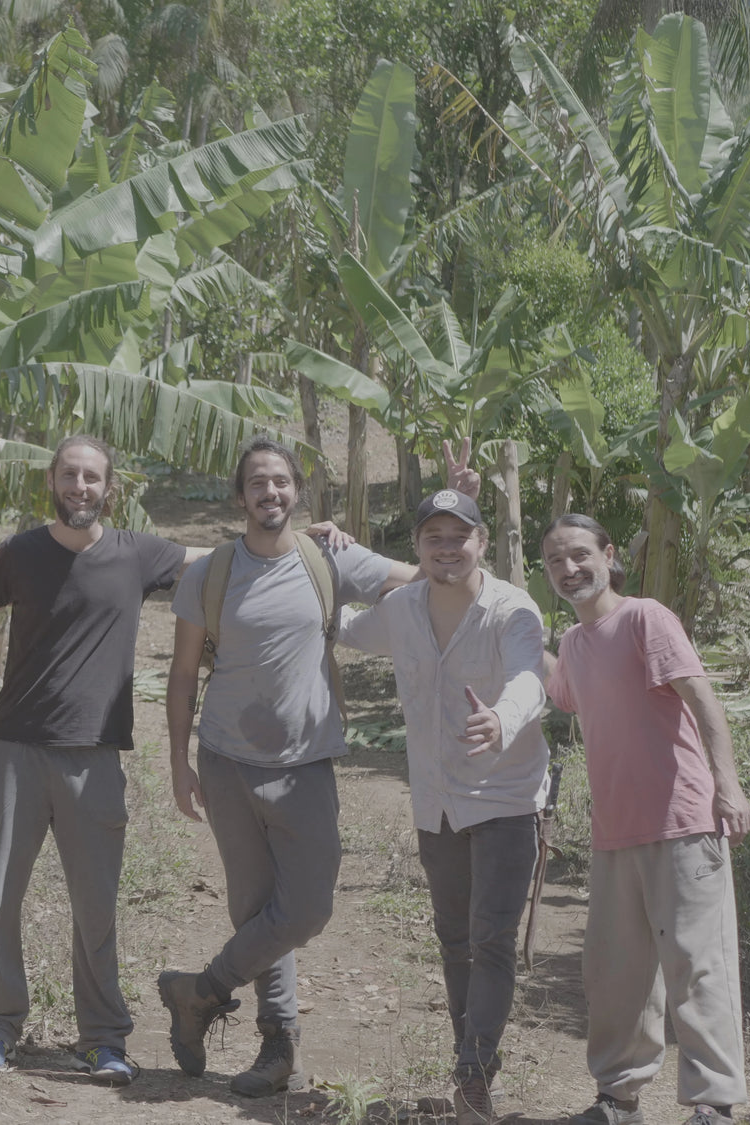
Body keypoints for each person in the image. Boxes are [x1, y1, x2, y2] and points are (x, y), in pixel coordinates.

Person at [161, 437, 477, 1097]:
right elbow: (185, 670)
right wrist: (179, 760)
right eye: (257, 482)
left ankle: (199, 991)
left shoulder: (326, 557)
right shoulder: (210, 572)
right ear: (239, 494)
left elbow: (423, 575)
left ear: (297, 490)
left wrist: (459, 508)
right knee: (256, 910)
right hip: (226, 761)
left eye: (280, 480)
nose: (269, 491)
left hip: (304, 762)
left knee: (304, 909)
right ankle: (278, 1047)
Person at [0, 435, 206, 1085]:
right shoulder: (20, 553)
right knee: (0, 899)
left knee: (96, 906)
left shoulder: (137, 553)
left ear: (108, 488)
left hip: (95, 755)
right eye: (70, 474)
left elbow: (227, 560)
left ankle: (102, 1036)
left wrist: (307, 542)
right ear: (52, 482)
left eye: (92, 477)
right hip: (15, 750)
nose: (80, 486)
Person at [337, 488, 549, 1125]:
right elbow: (337, 624)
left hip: (505, 800)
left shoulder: (513, 608)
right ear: (419, 548)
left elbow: (529, 678)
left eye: (460, 537)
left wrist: (502, 720)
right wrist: (328, 553)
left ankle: (475, 1072)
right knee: (454, 941)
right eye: (435, 537)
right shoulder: (401, 608)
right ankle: (469, 1061)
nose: (448, 548)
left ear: (482, 542)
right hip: (435, 803)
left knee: (491, 941)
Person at [541, 514, 750, 1125]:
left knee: (697, 965)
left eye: (580, 554)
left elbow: (702, 700)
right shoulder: (577, 645)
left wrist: (728, 786)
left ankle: (714, 1104)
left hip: (682, 819)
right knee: (615, 974)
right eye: (556, 560)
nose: (569, 568)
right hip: (613, 830)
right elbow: (561, 690)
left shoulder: (645, 618)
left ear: (610, 555)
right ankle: (618, 1099)